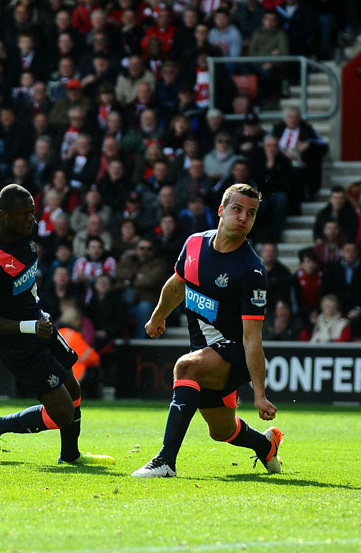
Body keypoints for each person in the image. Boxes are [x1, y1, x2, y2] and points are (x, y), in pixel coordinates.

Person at [132, 183, 282, 478]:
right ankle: (265, 446)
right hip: (206, 350)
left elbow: (252, 338)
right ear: (221, 211)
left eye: (250, 214)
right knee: (222, 431)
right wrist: (157, 317)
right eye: (237, 210)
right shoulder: (194, 244)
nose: (243, 218)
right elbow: (177, 285)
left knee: (185, 368)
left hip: (233, 352)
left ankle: (165, 461)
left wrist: (260, 394)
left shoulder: (251, 271)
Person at [0, 184, 114, 467]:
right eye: (25, 214)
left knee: (74, 389)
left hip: (38, 321)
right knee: (62, 414)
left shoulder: (25, 237)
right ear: (4, 215)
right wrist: (15, 327)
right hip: (17, 339)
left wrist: (35, 322)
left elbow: (9, 294)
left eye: (33, 212)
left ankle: (71, 456)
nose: (32, 219)